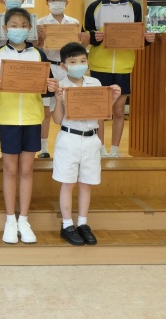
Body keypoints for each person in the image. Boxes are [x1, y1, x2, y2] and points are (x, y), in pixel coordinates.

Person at [0, 7, 59, 244]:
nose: (19, 29)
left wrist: (52, 87)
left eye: (23, 25)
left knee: (26, 170)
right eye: (14, 25)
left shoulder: (39, 55)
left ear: (30, 28)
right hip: (6, 119)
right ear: (5, 29)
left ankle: (24, 219)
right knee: (10, 170)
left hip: (32, 118)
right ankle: (10, 220)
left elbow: (47, 87)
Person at [52, 42, 121, 245]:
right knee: (68, 183)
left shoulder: (95, 83)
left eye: (83, 61)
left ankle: (82, 223)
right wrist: (58, 100)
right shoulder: (61, 86)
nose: (79, 65)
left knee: (86, 184)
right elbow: (56, 120)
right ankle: (67, 225)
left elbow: (102, 114)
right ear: (63, 66)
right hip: (69, 139)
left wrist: (113, 99)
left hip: (91, 139)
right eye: (73, 62)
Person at [84, 0, 156, 157]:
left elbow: (137, 36)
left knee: (118, 110)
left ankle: (115, 150)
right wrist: (94, 37)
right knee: (100, 110)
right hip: (100, 65)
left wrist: (147, 40)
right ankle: (99, 148)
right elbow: (85, 35)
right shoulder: (94, 7)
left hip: (124, 66)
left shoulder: (134, 7)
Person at [35, 0, 89, 159]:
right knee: (46, 111)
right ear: (47, 3)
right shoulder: (40, 23)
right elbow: (35, 49)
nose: (57, 3)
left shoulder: (74, 23)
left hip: (68, 69)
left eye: (60, 0)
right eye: (53, 0)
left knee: (69, 107)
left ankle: (68, 144)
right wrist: (40, 40)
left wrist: (85, 41)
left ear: (66, 2)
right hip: (48, 67)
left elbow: (79, 49)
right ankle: (43, 148)